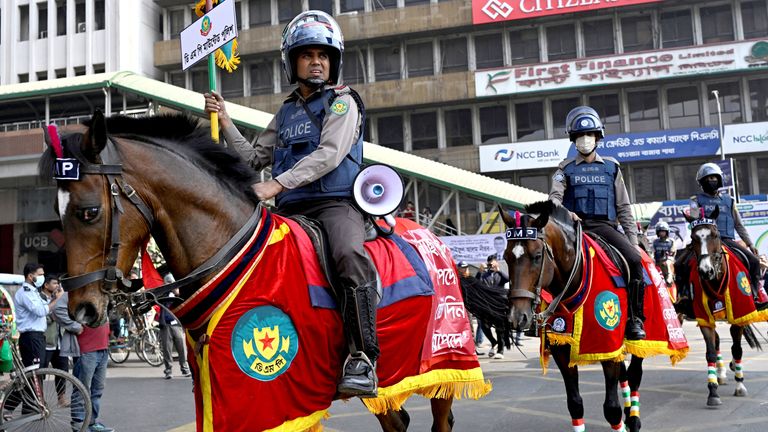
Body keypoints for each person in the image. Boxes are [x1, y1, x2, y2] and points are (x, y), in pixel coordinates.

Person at [203, 10, 378, 397]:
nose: (317, 62)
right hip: (291, 209)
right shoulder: (284, 113)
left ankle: (363, 358)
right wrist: (226, 120)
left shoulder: (342, 103)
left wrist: (275, 186)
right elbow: (252, 160)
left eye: (323, 56)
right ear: (292, 61)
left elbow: (330, 155)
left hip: (335, 204)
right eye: (307, 55)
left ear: (333, 62)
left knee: (349, 255)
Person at [549, 106, 646, 340]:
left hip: (605, 228)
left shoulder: (612, 168)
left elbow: (623, 207)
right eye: (580, 136)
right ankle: (547, 319)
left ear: (598, 137)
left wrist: (633, 242)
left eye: (589, 135)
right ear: (573, 140)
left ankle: (635, 318)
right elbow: (554, 199)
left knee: (634, 261)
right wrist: (566, 213)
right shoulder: (564, 169)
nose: (585, 140)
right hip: (574, 230)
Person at [678, 163, 765, 308]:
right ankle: (685, 297)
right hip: (704, 241)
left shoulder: (729, 201)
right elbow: (693, 223)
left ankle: (754, 296)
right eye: (708, 178)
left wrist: (750, 244)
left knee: (754, 263)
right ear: (702, 182)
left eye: (714, 177)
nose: (711, 180)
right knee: (679, 264)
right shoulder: (695, 200)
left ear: (719, 180)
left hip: (727, 240)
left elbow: (739, 225)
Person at [14, 263, 63, 369]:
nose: (42, 278)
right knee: (35, 372)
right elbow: (41, 311)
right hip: (31, 337)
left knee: (38, 371)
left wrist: (54, 298)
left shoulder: (34, 291)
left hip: (37, 336)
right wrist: (58, 299)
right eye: (40, 275)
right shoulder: (25, 293)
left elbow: (46, 306)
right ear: (30, 276)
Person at [71, 322, 114, 432]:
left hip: (103, 347)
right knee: (81, 389)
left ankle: (91, 422)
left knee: (97, 389)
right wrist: (75, 326)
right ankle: (78, 424)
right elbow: (59, 310)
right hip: (86, 349)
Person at [40, 275, 70, 406]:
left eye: (58, 283)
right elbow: (42, 319)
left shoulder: (59, 298)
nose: (57, 286)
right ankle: (40, 399)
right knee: (41, 372)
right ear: (46, 285)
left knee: (62, 371)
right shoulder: (39, 299)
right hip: (46, 341)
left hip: (60, 341)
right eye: (54, 283)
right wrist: (56, 306)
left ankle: (61, 398)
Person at [158, 274, 191, 380]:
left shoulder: (178, 293)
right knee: (167, 349)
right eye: (168, 283)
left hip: (176, 323)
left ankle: (184, 368)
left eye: (171, 282)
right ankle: (168, 370)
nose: (170, 284)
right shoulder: (163, 293)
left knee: (182, 348)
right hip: (165, 325)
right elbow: (158, 300)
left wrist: (175, 290)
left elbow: (181, 298)